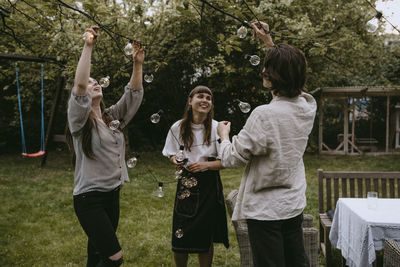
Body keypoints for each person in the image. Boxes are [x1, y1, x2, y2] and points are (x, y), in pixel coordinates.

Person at [217, 21, 317, 267]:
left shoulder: (264, 115)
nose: (262, 72)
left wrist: (223, 137)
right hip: (292, 204)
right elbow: (290, 89)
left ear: (275, 75)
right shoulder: (307, 107)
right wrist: (269, 44)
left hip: (266, 212)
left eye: (267, 68)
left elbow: (231, 159)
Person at [66, 25, 144, 266]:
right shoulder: (80, 122)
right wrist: (88, 46)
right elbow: (79, 89)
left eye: (96, 81)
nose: (94, 83)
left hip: (112, 195)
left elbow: (132, 95)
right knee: (114, 258)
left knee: (97, 255)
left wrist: (138, 64)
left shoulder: (111, 118)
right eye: (89, 82)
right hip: (90, 200)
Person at [162, 86, 229, 267]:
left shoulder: (217, 128)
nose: (205, 100)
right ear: (190, 101)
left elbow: (226, 161)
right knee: (180, 232)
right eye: (200, 96)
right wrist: (174, 159)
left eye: (209, 98)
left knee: (204, 235)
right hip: (186, 183)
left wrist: (205, 165)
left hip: (209, 185)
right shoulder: (178, 127)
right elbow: (170, 153)